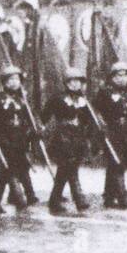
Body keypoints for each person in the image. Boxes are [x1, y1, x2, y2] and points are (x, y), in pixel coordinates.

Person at [42, 68, 96, 213]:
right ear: (66, 83)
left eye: (78, 81)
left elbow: (88, 119)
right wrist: (41, 128)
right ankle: (79, 198)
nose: (75, 84)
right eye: (72, 81)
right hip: (62, 136)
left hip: (78, 137)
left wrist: (91, 128)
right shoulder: (58, 98)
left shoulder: (83, 100)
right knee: (68, 167)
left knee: (66, 169)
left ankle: (54, 199)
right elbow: (45, 115)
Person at [0, 65, 37, 213]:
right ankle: (17, 200)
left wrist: (33, 130)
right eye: (11, 79)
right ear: (5, 82)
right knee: (7, 169)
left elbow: (28, 118)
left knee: (7, 171)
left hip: (19, 138)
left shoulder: (22, 100)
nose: (14, 82)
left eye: (17, 79)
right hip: (3, 138)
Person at [95, 62, 127, 209]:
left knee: (121, 163)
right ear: (112, 77)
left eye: (126, 75)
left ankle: (108, 196)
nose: (123, 78)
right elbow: (96, 111)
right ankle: (122, 198)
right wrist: (101, 127)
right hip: (112, 132)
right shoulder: (105, 92)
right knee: (116, 162)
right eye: (119, 75)